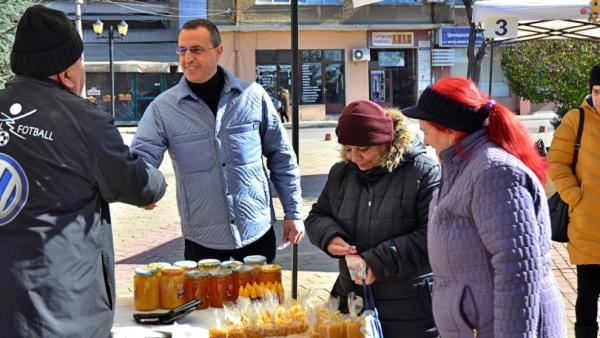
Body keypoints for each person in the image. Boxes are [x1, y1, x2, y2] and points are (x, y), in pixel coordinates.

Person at [0, 5, 167, 337]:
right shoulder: (83, 121)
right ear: (66, 73)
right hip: (60, 313)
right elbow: (140, 185)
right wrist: (154, 181)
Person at [403, 77, 567, 338]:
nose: (425, 141)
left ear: (451, 130)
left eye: (426, 130)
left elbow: (518, 270)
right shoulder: (460, 164)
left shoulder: (493, 172)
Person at [131, 19, 304, 263]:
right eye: (182, 50)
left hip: (257, 234)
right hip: (202, 242)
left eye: (197, 50)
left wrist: (293, 212)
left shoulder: (252, 96)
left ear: (218, 51)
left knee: (260, 302)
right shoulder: (163, 108)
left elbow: (282, 157)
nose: (188, 58)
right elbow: (143, 156)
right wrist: (142, 190)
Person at [305, 100, 440, 337]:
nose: (355, 157)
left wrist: (378, 261)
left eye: (363, 150)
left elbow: (434, 237)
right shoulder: (341, 174)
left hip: (409, 305)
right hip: (351, 298)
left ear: (384, 142)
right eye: (348, 149)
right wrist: (330, 236)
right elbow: (317, 216)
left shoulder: (423, 172)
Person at [547, 64, 600, 338]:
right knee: (587, 297)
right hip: (587, 225)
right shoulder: (576, 119)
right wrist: (575, 197)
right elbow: (556, 162)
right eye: (596, 91)